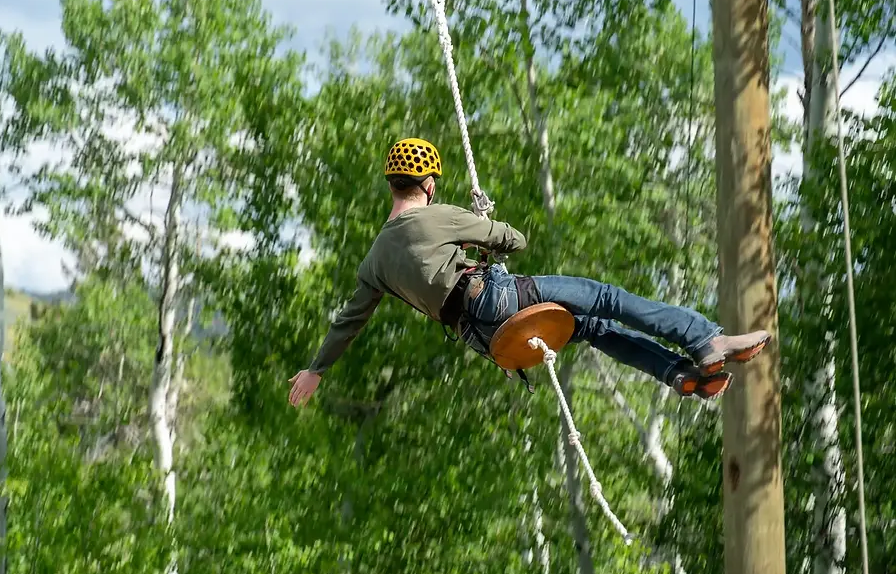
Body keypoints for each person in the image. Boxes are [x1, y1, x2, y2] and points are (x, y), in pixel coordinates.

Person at [288, 138, 770, 408]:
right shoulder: (438, 216)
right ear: (429, 184)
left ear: (392, 186)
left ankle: (677, 374)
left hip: (482, 339)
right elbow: (514, 241)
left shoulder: (373, 259)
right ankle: (705, 340)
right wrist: (480, 224)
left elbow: (348, 322)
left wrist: (316, 370)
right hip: (493, 299)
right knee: (602, 298)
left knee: (593, 328)